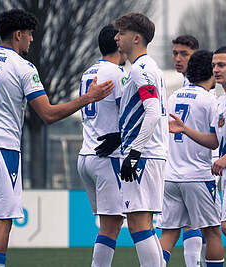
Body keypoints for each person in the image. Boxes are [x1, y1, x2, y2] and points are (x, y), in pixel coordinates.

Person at [0, 9, 114, 267]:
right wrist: (88, 98)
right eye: (29, 35)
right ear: (18, 34)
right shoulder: (23, 67)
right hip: (1, 149)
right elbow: (48, 114)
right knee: (3, 220)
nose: (31, 40)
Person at [169, 46, 226, 267]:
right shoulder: (222, 100)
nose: (216, 69)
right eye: (214, 65)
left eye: (221, 65)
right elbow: (214, 141)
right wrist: (185, 130)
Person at [95, 13, 168, 267]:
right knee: (145, 224)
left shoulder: (139, 70)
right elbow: (144, 112)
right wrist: (120, 136)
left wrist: (134, 152)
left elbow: (152, 111)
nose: (116, 37)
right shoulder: (150, 68)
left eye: (121, 33)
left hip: (145, 155)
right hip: (151, 153)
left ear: (136, 38)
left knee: (137, 224)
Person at [158, 50, 224, 267]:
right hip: (197, 176)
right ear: (210, 71)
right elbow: (215, 142)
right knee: (213, 232)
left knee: (168, 233)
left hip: (171, 176)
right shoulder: (210, 101)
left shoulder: (174, 96)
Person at [76, 24, 127, 267]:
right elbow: (130, 114)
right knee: (112, 224)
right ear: (119, 43)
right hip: (108, 156)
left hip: (86, 154)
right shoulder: (117, 73)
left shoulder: (88, 72)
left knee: (111, 223)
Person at [170, 34, 207, 266]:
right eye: (175, 53)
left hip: (203, 163)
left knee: (202, 226)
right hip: (181, 166)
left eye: (184, 54)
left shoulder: (207, 88)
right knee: (193, 224)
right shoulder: (178, 89)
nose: (178, 58)